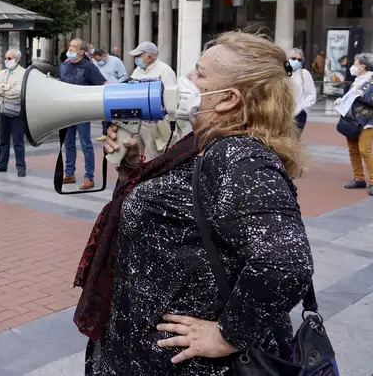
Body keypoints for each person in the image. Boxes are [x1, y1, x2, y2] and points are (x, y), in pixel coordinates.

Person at [79, 32, 313, 375]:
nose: (187, 79)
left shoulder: (241, 158)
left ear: (228, 99)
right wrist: (130, 169)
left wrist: (226, 335)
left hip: (181, 363)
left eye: (200, 74)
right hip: (143, 348)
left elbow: (285, 263)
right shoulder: (203, 145)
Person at [60, 39, 107, 190]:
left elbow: (102, 85)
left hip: (83, 111)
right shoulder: (64, 66)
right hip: (66, 110)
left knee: (86, 144)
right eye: (70, 46)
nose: (70, 48)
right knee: (68, 144)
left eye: (74, 47)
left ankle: (89, 177)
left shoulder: (89, 67)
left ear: (81, 52)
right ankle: (69, 173)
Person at [130, 41, 185, 160]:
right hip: (137, 121)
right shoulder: (137, 71)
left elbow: (169, 99)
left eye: (138, 56)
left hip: (154, 123)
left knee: (155, 157)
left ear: (148, 57)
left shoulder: (165, 71)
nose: (136, 59)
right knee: (133, 156)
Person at [335, 52, 373, 194]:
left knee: (365, 150)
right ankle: (358, 178)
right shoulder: (358, 80)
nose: (353, 66)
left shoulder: (371, 80)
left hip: (368, 121)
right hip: (352, 120)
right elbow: (351, 97)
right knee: (353, 150)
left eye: (355, 64)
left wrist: (361, 95)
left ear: (363, 66)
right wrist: (342, 101)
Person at [0, 49, 28, 177]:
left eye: (9, 58)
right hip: (2, 109)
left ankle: (21, 167)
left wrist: (2, 90)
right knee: (3, 140)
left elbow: (18, 91)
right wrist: (6, 89)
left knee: (18, 141)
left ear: (17, 59)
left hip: (17, 111)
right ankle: (2, 164)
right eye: (5, 58)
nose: (6, 61)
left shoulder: (23, 73)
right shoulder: (3, 73)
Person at [288, 48, 316, 131]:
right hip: (282, 114)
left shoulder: (304, 74)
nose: (296, 61)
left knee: (294, 140)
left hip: (298, 115)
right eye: (293, 58)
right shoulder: (282, 73)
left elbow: (311, 94)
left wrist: (302, 109)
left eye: (299, 60)